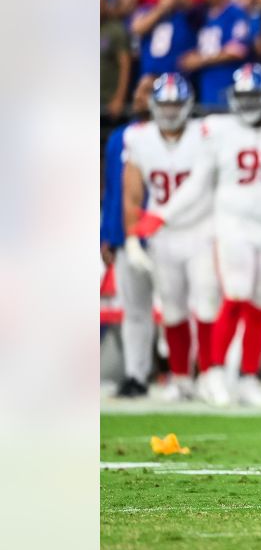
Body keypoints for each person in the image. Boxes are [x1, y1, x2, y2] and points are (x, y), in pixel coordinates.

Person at [130, 64, 261, 408]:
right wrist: (163, 214)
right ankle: (212, 372)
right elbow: (199, 181)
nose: (247, 104)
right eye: (242, 96)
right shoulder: (220, 130)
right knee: (236, 293)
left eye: (253, 96)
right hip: (232, 223)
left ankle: (247, 378)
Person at [121, 74, 220, 403]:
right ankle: (180, 378)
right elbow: (132, 194)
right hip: (162, 236)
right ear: (153, 104)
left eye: (176, 103)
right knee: (173, 309)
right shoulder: (139, 138)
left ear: (188, 105)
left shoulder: (204, 134)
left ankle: (208, 374)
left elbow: (201, 185)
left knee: (206, 301)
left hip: (200, 228)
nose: (169, 110)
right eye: (164, 103)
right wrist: (133, 239)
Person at [102, 84, 158, 398]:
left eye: (147, 91)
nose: (139, 97)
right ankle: (136, 375)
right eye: (139, 92)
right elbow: (112, 191)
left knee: (181, 309)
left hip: (166, 235)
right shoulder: (118, 138)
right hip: (127, 236)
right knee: (134, 310)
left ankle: (190, 376)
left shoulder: (179, 137)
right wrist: (107, 235)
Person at [181, 0, 252, 108]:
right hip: (206, 83)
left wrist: (201, 60)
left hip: (229, 79)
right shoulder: (202, 14)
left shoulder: (235, 12)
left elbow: (237, 50)